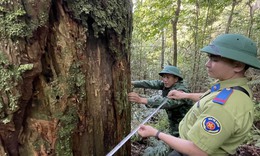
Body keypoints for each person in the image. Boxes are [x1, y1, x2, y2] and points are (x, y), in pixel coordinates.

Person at [137, 33, 260, 156]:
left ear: (237, 65)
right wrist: (184, 96)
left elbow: (198, 150)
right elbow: (209, 98)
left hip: (188, 151)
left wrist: (156, 133)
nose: (207, 64)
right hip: (184, 144)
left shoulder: (225, 106)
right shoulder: (231, 89)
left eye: (214, 59)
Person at [128, 65, 193, 136]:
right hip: (175, 122)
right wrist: (133, 83)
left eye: (168, 77)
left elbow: (167, 102)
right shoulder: (168, 84)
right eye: (164, 77)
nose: (165, 80)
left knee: (180, 142)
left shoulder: (182, 90)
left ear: (176, 79)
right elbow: (151, 83)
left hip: (186, 124)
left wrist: (141, 100)